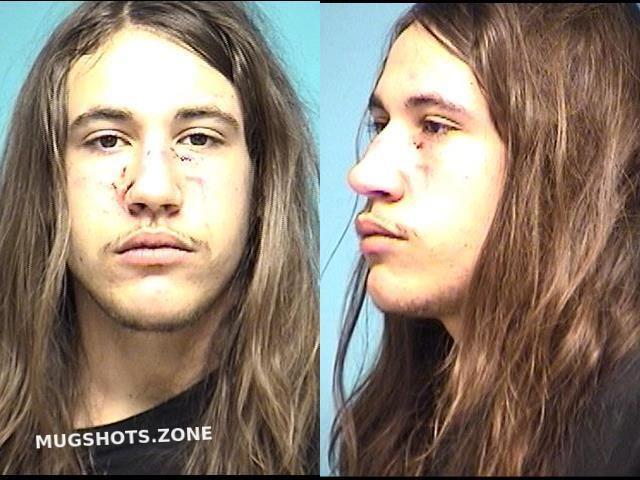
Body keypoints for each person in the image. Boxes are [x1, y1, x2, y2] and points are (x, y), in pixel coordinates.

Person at [0, 0, 318, 474]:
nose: (153, 190)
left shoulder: (333, 439)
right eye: (107, 140)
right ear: (48, 185)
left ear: (262, 181)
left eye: (199, 139)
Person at [331, 3, 640, 476]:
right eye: (379, 124)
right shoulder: (402, 430)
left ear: (564, 160)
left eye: (435, 126)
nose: (365, 174)